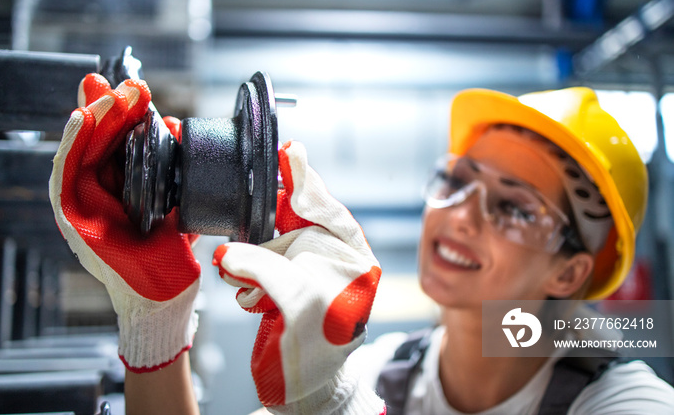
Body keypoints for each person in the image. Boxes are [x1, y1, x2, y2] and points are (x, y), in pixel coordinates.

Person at [49, 74, 673, 415]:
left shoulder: (626, 403)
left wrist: (337, 407)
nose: (460, 216)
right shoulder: (386, 372)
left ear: (569, 275)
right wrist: (157, 326)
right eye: (457, 181)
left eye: (513, 207)